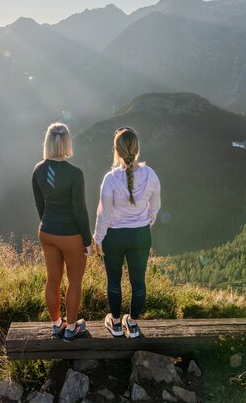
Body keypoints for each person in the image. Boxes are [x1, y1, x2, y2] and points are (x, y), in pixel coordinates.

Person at [93, 127, 161, 338]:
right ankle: (131, 323)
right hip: (140, 235)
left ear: (116, 150)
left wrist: (98, 238)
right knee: (138, 281)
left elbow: (104, 213)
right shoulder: (151, 175)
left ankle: (114, 323)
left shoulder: (110, 179)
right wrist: (146, 222)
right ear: (137, 149)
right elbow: (155, 206)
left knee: (113, 280)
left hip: (114, 236)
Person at [32, 122, 93, 341]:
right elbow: (80, 211)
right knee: (74, 281)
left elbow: (40, 206)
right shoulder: (75, 174)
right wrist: (87, 240)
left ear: (47, 142)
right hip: (71, 235)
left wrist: (49, 226)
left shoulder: (38, 170)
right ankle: (71, 329)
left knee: (53, 280)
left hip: (47, 231)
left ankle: (57, 325)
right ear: (67, 143)